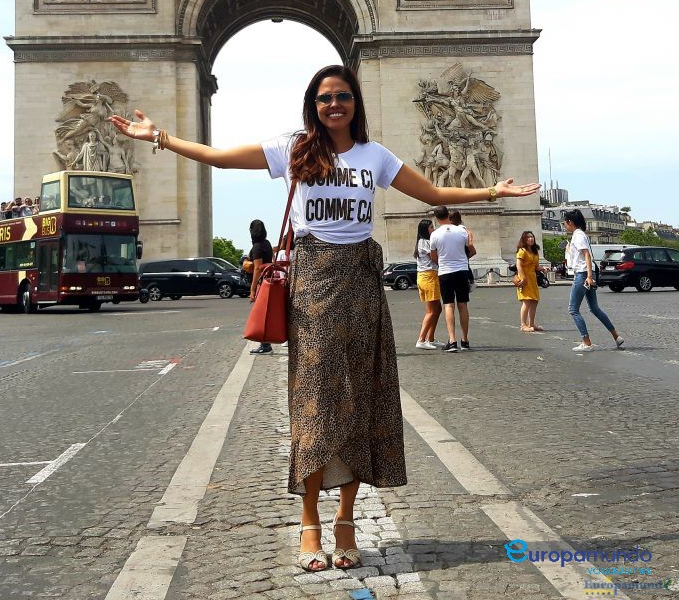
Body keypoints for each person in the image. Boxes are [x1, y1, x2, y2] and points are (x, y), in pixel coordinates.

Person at [109, 63, 539, 572]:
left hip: (360, 281)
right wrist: (158, 136)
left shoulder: (375, 157)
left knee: (357, 400)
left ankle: (346, 520)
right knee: (314, 402)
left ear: (356, 102)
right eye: (323, 98)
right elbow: (218, 159)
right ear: (312, 105)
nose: (334, 105)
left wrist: (493, 192)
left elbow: (434, 195)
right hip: (311, 282)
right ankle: (310, 519)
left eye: (342, 96)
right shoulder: (295, 148)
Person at [563, 209, 624, 352]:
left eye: (565, 223)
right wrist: (569, 249)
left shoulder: (578, 236)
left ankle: (586, 342)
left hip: (583, 274)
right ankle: (616, 336)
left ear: (570, 222)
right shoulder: (580, 235)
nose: (564, 225)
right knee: (594, 308)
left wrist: (589, 276)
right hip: (588, 273)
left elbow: (586, 256)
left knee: (573, 309)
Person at [430, 206, 475, 352]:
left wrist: (443, 262)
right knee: (463, 305)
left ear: (436, 218)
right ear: (448, 215)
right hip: (462, 271)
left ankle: (452, 341)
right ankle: (465, 340)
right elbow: (472, 249)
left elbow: (433, 257)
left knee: (449, 305)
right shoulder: (462, 230)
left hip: (445, 272)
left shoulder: (435, 234)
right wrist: (462, 259)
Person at [248, 219, 274, 355]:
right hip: (270, 280)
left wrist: (252, 289)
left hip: (262, 283)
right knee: (266, 313)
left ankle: (265, 345)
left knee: (260, 314)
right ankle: (266, 343)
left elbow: (258, 268)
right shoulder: (267, 243)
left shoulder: (257, 246)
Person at [414, 219, 441, 350]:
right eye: (431, 227)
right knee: (431, 311)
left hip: (429, 276)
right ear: (426, 230)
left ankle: (430, 338)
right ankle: (421, 339)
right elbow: (435, 258)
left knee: (438, 309)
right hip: (428, 276)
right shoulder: (424, 242)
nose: (433, 229)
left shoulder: (424, 242)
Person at [515, 230, 544, 331]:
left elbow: (536, 267)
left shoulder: (535, 252)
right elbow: (518, 265)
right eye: (528, 237)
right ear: (524, 239)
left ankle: (531, 324)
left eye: (532, 237)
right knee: (526, 301)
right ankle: (523, 325)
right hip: (524, 279)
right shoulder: (522, 251)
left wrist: (544, 268)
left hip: (532, 279)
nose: (531, 239)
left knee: (534, 301)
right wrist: (523, 278)